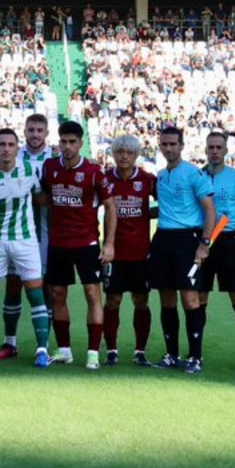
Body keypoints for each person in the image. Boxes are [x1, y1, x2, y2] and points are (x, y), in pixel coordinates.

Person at [0, 128, 53, 368]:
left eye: (10, 144)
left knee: (35, 293)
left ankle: (42, 350)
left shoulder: (30, 169)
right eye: (2, 144)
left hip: (25, 240)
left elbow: (41, 198)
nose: (6, 148)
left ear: (18, 147)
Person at [39, 120, 116, 370]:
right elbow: (43, 197)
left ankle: (93, 352)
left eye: (72, 142)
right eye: (63, 142)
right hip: (58, 243)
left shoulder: (94, 172)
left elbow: (110, 207)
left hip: (87, 243)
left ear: (81, 144)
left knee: (93, 295)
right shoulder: (49, 167)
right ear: (58, 142)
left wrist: (109, 244)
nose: (68, 146)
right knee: (57, 295)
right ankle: (64, 351)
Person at [149, 126, 216, 375]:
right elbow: (165, 208)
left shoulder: (193, 174)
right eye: (164, 144)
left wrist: (204, 243)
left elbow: (210, 209)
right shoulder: (161, 175)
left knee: (190, 298)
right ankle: (172, 354)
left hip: (188, 240)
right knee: (166, 298)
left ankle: (195, 357)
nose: (168, 148)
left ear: (181, 145)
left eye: (172, 144)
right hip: (163, 239)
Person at [199, 131, 235, 372]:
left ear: (226, 151)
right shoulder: (197, 177)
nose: (214, 151)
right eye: (211, 146)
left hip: (227, 242)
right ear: (205, 149)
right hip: (202, 243)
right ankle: (196, 354)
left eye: (218, 147)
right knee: (199, 297)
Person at [0, 112, 53, 360]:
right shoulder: (13, 157)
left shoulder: (55, 159)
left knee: (45, 288)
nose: (35, 134)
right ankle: (10, 342)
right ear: (25, 132)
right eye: (31, 130)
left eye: (39, 130)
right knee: (13, 285)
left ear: (46, 133)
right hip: (14, 232)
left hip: (45, 234)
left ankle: (44, 344)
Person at [102, 135, 157, 367]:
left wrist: (148, 215)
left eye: (129, 152)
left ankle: (139, 351)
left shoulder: (148, 180)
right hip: (114, 253)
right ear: (113, 154)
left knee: (141, 301)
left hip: (141, 254)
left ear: (136, 156)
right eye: (120, 151)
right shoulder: (104, 179)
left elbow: (169, 206)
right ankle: (111, 350)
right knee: (112, 300)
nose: (124, 156)